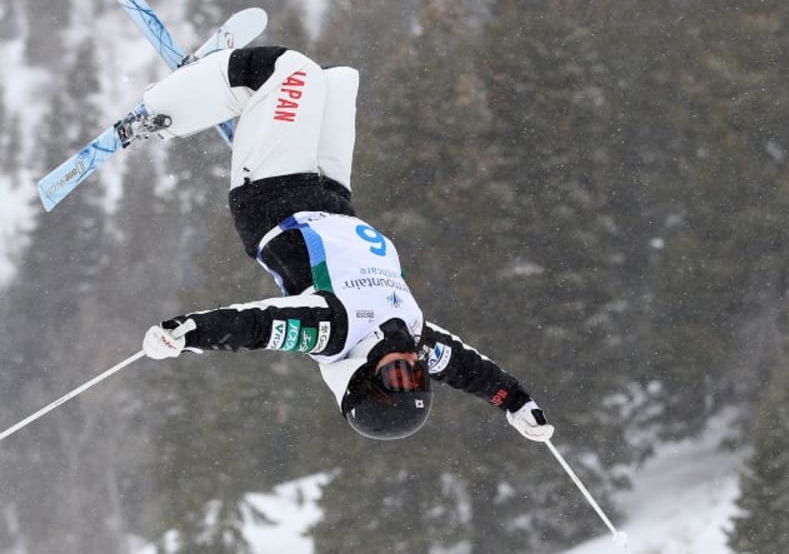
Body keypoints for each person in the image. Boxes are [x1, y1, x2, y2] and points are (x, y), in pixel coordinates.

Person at [120, 46, 553, 442]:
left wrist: (186, 332)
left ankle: (159, 111)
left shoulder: (332, 332)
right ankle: (237, 100)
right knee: (339, 81)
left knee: (291, 71)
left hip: (271, 199)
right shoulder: (418, 343)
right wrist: (517, 403)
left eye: (398, 377)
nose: (410, 365)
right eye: (417, 377)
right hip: (330, 197)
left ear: (361, 378)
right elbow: (471, 372)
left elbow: (254, 327)